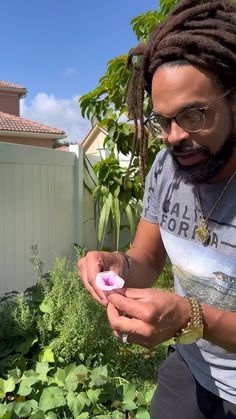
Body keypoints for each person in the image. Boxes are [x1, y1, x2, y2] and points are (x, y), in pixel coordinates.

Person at [78, 0, 236, 417]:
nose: (174, 137)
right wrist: (115, 264)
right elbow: (145, 258)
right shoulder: (169, 166)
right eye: (163, 121)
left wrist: (193, 318)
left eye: (193, 114)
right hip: (192, 371)